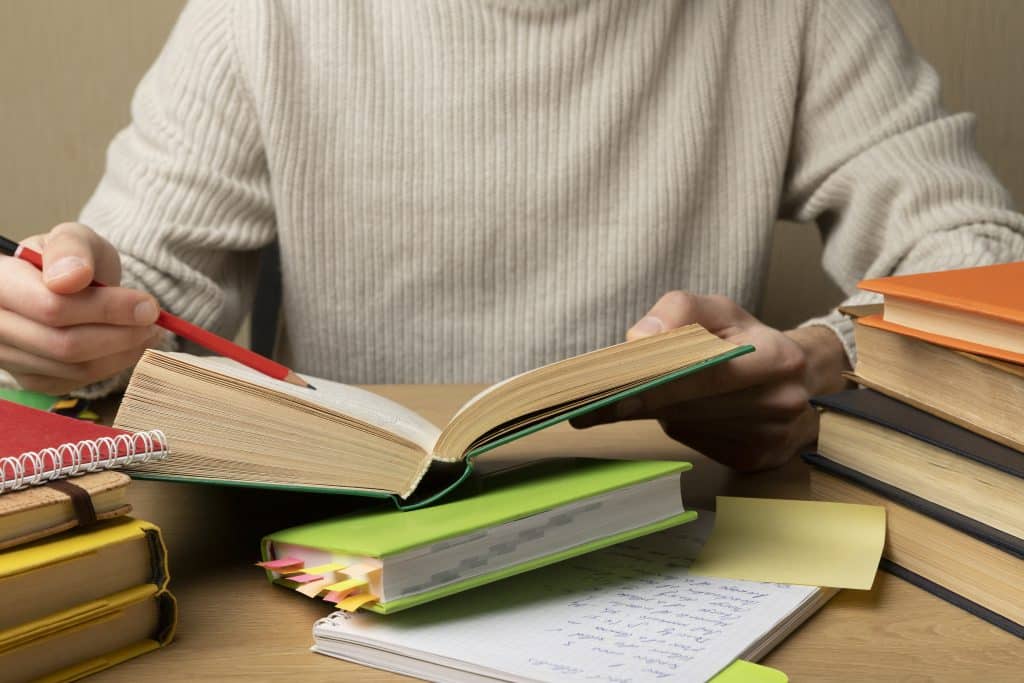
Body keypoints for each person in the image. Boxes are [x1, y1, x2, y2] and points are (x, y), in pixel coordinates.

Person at [2, 0, 1022, 471]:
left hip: (686, 546)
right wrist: (78, 333)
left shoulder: (795, 14)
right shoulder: (261, 14)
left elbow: (979, 255)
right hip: (344, 565)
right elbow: (146, 294)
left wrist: (821, 364)